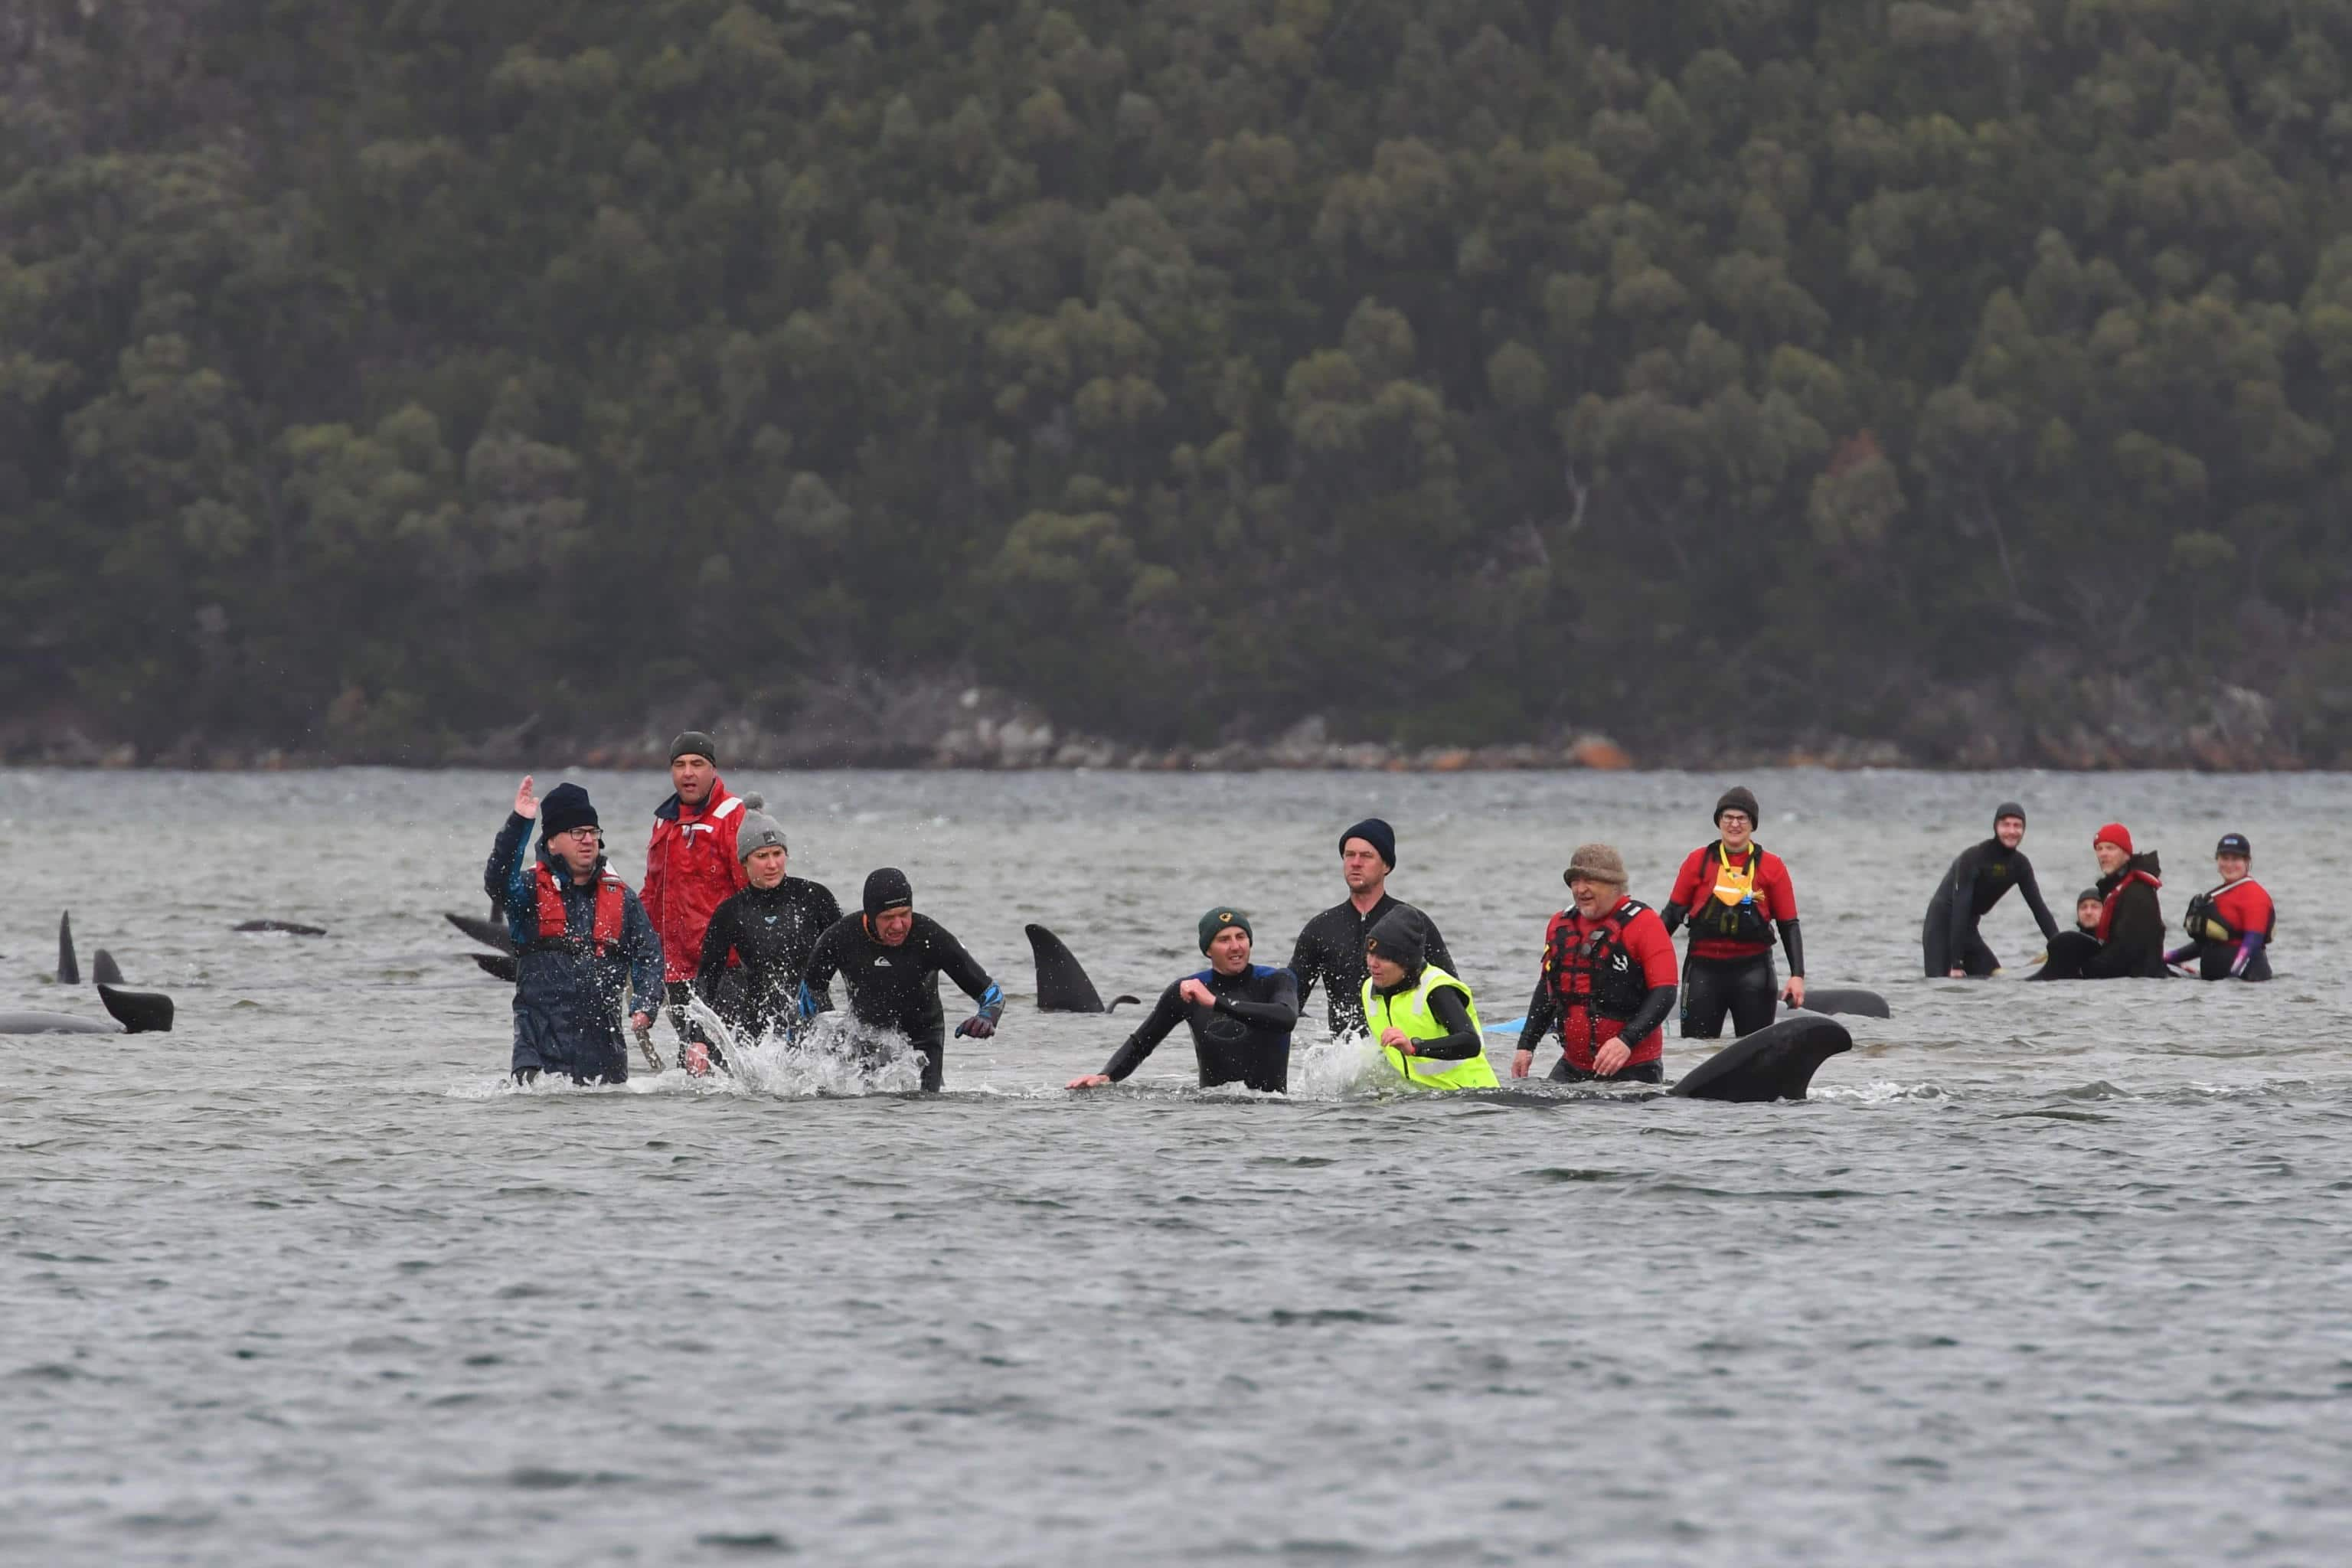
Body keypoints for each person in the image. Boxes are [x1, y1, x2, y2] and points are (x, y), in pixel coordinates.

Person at [485, 776, 662, 1085]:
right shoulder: (527, 892)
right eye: (577, 832)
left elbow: (649, 955)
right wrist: (519, 823)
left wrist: (645, 1005)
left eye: (593, 832)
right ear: (552, 842)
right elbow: (497, 881)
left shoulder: (623, 899)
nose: (588, 839)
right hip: (538, 1059)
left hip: (605, 1061)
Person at [802, 868, 1005, 1092]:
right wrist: (826, 1035)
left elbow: (992, 994)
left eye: (904, 914)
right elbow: (810, 993)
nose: (898, 926)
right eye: (888, 917)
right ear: (869, 915)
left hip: (923, 1043)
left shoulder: (931, 937)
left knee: (925, 1107)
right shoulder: (840, 938)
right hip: (865, 1037)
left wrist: (987, 1016)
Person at [1067, 909, 1300, 1093]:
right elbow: (1142, 1043)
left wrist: (1216, 1003)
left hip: (1271, 1111)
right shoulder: (1186, 991)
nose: (1235, 946)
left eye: (1241, 937)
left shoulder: (1276, 979)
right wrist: (1106, 1075)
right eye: (1224, 940)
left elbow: (1286, 1018)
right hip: (1211, 1109)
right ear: (1208, 950)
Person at [1512, 844, 1678, 1085]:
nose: (1580, 889)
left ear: (1614, 885)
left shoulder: (1645, 923)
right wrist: (1526, 1045)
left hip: (1633, 1066)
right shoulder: (1560, 924)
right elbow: (1546, 990)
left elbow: (1665, 993)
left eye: (1589, 881)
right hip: (1572, 1067)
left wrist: (1626, 1040)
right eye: (1574, 881)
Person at [691, 802, 841, 1050]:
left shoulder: (815, 897)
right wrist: (697, 1039)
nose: (772, 865)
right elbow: (707, 980)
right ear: (744, 861)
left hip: (816, 1025)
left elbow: (851, 958)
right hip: (758, 1032)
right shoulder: (730, 912)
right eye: (762, 856)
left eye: (777, 854)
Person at [1658, 787, 1804, 1037]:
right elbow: (1671, 916)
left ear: (1752, 824)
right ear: (1719, 822)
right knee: (1696, 1050)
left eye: (1742, 818)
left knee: (1754, 1052)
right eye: (1728, 817)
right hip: (1703, 970)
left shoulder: (1772, 866)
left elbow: (1789, 924)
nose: (1734, 824)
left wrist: (1797, 976)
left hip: (1754, 972)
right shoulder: (1698, 861)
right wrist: (1642, 963)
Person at [1289, 818, 1456, 1037]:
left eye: (1366, 856)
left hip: (1406, 1052)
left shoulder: (1413, 923)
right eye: (1349, 855)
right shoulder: (1320, 929)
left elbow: (1453, 993)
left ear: (1386, 866)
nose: (1356, 863)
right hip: (1347, 1059)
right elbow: (1290, 1002)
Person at [642, 730, 750, 1058]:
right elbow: (652, 891)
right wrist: (640, 948)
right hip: (675, 967)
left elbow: (749, 893)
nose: (688, 773)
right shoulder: (664, 819)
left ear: (713, 769)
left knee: (708, 1057)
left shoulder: (733, 814)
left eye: (697, 764)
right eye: (680, 765)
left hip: (725, 968)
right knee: (691, 1065)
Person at [1360, 906, 1498, 1090]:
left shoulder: (1436, 988)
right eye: (1370, 954)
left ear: (1405, 961)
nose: (1372, 963)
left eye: (1384, 957)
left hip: (1472, 1100)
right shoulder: (1368, 989)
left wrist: (1415, 1048)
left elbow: (1471, 1043)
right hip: (1423, 1103)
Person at [1922, 802, 2060, 977]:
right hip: (1941, 926)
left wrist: (2059, 946)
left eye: (2017, 826)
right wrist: (1957, 963)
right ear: (1996, 827)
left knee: (1994, 979)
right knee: (1942, 985)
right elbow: (1960, 908)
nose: (2011, 831)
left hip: (1968, 929)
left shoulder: (2020, 865)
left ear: (2024, 830)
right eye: (2006, 825)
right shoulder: (1973, 858)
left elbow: (2039, 909)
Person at [2030, 824, 2166, 980]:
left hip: (2139, 985)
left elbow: (2127, 952)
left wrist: (2083, 970)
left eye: (2110, 848)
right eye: (2099, 849)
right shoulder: (2116, 889)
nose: (2103, 854)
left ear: (2126, 853)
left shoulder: (2137, 892)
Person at [2166, 832, 2274, 982]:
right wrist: (2168, 958)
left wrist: (2232, 978)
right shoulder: (2219, 895)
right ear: (2217, 860)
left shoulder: (2255, 896)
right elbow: (2206, 945)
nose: (2229, 865)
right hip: (2216, 986)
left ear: (2247, 862)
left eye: (2235, 859)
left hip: (2247, 983)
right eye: (2224, 858)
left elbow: (2252, 944)